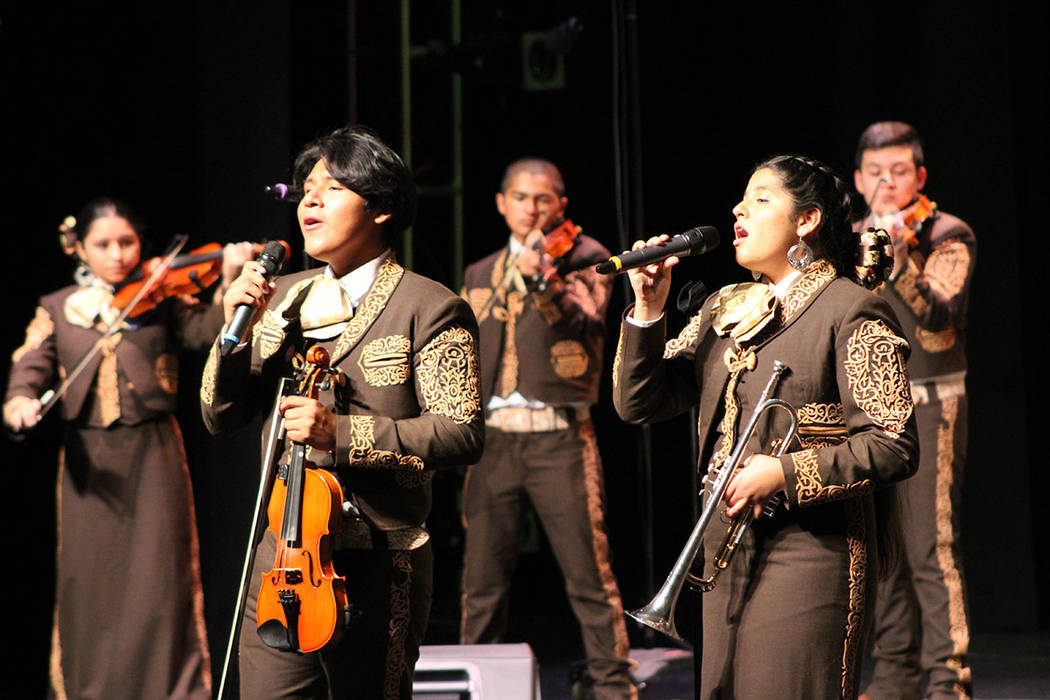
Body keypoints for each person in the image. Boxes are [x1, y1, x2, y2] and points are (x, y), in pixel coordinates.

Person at [612, 155, 920, 699]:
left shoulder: (850, 308)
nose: (738, 208)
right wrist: (648, 308)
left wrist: (782, 472)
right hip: (723, 556)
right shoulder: (724, 311)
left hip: (810, 556)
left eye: (761, 199)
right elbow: (639, 402)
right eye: (742, 197)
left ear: (807, 221)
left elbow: (893, 442)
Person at [201, 124, 484, 699]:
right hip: (281, 557)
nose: (310, 200)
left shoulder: (429, 307)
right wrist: (231, 336)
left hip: (377, 560)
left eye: (331, 188)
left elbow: (460, 431)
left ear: (380, 208)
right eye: (306, 188)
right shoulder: (283, 297)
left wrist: (342, 433)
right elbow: (219, 415)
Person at [3, 197, 253, 699]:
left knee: (161, 579)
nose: (118, 255)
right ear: (79, 248)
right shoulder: (58, 306)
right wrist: (19, 403)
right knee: (87, 584)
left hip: (153, 451)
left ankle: (172, 690)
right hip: (87, 464)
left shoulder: (161, 295)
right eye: (104, 245)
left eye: (127, 243)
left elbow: (208, 334)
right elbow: (29, 365)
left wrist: (227, 280)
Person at [458, 158, 636, 699]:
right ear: (500, 203)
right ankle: (473, 682)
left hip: (559, 433)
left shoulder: (588, 257)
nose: (531, 208)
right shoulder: (479, 272)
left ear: (561, 205)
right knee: (481, 582)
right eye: (520, 198)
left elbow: (584, 319)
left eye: (543, 199)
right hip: (493, 439)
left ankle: (613, 688)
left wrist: (545, 283)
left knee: (588, 575)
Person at [853, 121, 976, 700]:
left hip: (934, 404)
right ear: (858, 179)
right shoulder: (853, 236)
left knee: (931, 544)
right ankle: (897, 671)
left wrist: (899, 258)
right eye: (876, 173)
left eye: (899, 171)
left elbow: (938, 315)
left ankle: (948, 676)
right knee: (887, 549)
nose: (887, 182)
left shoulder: (947, 234)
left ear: (919, 176)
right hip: (875, 411)